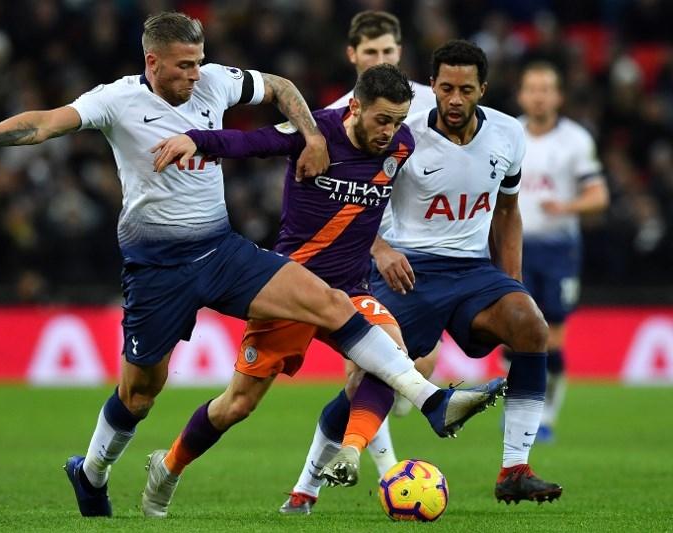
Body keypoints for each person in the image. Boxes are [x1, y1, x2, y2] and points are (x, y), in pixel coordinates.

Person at [0, 13, 496, 519]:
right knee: (141, 394)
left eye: (200, 62)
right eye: (183, 65)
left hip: (222, 251)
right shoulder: (116, 99)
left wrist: (309, 136)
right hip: (157, 266)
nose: (196, 74)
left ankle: (432, 401)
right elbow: (50, 120)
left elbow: (278, 86)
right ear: (152, 62)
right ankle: (93, 472)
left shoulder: (215, 80)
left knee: (330, 302)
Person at [140, 63, 505, 518]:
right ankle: (169, 466)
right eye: (381, 120)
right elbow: (252, 143)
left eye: (397, 121)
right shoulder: (315, 133)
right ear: (355, 107)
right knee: (237, 405)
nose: (389, 132)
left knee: (390, 354)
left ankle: (352, 451)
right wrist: (197, 139)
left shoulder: (401, 147)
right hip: (289, 288)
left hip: (350, 289)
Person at [295, 40, 563, 507]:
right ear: (432, 87)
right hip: (408, 269)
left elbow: (507, 211)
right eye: (445, 88)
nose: (454, 99)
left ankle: (515, 469)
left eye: (465, 89)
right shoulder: (405, 136)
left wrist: (513, 282)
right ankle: (306, 487)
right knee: (372, 379)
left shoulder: (507, 134)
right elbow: (360, 196)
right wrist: (379, 249)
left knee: (531, 325)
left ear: (483, 88)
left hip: (473, 271)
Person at [280, 10, 442, 514]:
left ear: (399, 53)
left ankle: (308, 488)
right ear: (353, 56)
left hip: (414, 258)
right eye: (369, 52)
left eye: (387, 51)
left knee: (406, 368)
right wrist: (379, 246)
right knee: (373, 371)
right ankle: (387, 479)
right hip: (361, 261)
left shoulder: (434, 108)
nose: (379, 58)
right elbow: (333, 203)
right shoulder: (327, 122)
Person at [514, 61, 609, 443]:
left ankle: (546, 417)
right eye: (532, 88)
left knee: (552, 338)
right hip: (514, 247)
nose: (538, 96)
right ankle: (520, 411)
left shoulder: (576, 140)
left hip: (558, 250)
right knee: (515, 334)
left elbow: (598, 195)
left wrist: (567, 207)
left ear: (558, 96)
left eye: (545, 88)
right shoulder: (509, 134)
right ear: (521, 94)